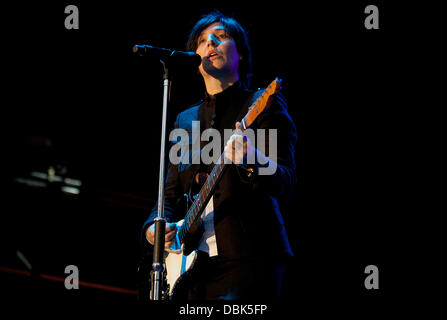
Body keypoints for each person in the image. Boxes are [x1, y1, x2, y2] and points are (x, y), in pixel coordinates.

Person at [141, 10, 297, 300]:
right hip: (190, 272)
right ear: (195, 59)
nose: (210, 42)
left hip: (250, 258)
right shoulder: (185, 121)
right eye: (202, 40)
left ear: (241, 54)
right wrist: (154, 228)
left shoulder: (263, 104)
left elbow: (286, 181)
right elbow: (170, 195)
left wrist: (252, 159)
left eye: (221, 37)